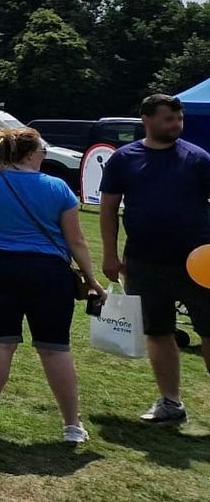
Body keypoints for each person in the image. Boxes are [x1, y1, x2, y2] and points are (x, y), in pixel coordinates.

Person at [0, 127, 102, 441]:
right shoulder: (58, 187)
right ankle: (72, 426)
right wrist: (91, 279)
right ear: (32, 154)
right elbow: (75, 239)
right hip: (49, 272)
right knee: (55, 348)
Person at [99, 92, 210, 425]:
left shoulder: (198, 159)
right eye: (168, 119)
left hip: (198, 262)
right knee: (159, 331)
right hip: (144, 261)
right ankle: (170, 403)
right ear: (147, 119)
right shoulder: (124, 159)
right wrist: (109, 254)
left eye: (179, 119)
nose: (176, 125)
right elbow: (107, 209)